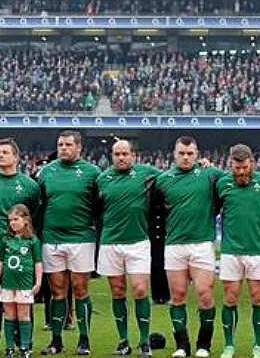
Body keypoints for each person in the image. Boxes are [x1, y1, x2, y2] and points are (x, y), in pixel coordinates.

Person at [153, 136, 223, 358]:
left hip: (202, 244)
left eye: (190, 153)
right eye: (181, 153)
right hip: (174, 246)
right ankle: (182, 345)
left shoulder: (209, 174)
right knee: (178, 295)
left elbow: (233, 184)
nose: (185, 157)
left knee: (204, 294)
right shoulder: (163, 180)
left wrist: (213, 167)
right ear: (174, 154)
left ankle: (204, 345)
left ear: (197, 154)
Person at [38, 130, 101, 355]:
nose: (63, 148)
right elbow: (40, 204)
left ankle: (84, 340)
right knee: (57, 291)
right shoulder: (46, 172)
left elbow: (100, 205)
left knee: (81, 289)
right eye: (60, 144)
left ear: (79, 148)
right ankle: (56, 340)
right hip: (52, 238)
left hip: (81, 238)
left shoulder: (92, 172)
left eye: (68, 145)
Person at [96, 139, 161, 357]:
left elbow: (173, 178)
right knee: (117, 291)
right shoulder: (102, 179)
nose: (121, 157)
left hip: (138, 242)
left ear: (133, 155)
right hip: (110, 243)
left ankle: (144, 341)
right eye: (117, 154)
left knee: (141, 290)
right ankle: (123, 341)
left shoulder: (147, 173)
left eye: (125, 153)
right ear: (112, 156)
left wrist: (202, 165)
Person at [0, 138, 41, 353]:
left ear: (16, 157)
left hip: (20, 251)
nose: (0, 155)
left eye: (5, 152)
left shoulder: (30, 186)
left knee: (22, 297)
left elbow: (34, 216)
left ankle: (23, 342)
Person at [216, 144, 260, 358]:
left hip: (257, 249)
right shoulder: (222, 184)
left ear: (252, 163)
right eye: (237, 167)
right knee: (230, 299)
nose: (241, 172)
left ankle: (258, 346)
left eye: (245, 167)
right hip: (231, 251)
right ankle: (229, 345)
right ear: (230, 163)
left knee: (258, 298)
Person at [0, 204, 43, 358]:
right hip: (8, 284)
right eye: (10, 220)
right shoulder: (6, 239)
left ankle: (24, 347)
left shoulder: (32, 240)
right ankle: (9, 348)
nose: (13, 223)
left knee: (23, 315)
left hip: (24, 283)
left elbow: (38, 262)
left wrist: (38, 281)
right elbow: (0, 261)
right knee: (9, 314)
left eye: (16, 219)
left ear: (25, 220)